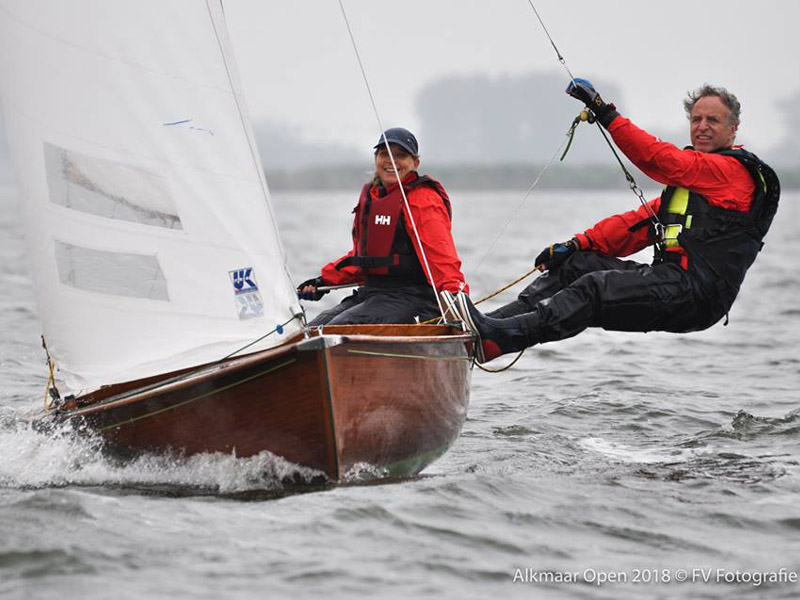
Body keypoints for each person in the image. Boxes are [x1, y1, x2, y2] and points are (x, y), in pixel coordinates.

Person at [444, 81, 780, 363]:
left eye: (713, 120)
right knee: (579, 265)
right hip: (672, 281)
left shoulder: (731, 172)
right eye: (697, 119)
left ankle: (501, 338)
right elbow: (635, 225)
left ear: (734, 129)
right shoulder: (693, 185)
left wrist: (606, 114)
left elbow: (659, 159)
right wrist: (577, 244)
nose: (703, 126)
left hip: (696, 296)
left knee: (594, 288)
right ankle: (487, 329)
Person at [298, 127, 468, 326]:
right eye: (385, 154)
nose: (391, 161)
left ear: (415, 162)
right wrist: (323, 281)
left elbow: (442, 258)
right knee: (312, 330)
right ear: (376, 158)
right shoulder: (373, 197)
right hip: (372, 295)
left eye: (401, 155)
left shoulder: (423, 199)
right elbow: (365, 258)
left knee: (336, 330)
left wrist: (457, 302)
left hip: (415, 298)